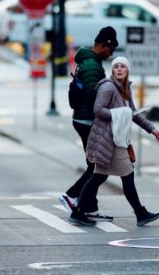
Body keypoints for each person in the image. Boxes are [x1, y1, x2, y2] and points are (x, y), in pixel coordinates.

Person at [68, 56, 159, 227]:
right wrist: (119, 113)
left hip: (114, 138)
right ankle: (140, 213)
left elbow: (133, 113)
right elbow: (98, 110)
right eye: (116, 67)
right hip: (109, 139)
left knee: (98, 176)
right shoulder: (108, 88)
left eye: (123, 67)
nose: (119, 69)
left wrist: (151, 129)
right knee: (127, 174)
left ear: (127, 71)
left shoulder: (124, 88)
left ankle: (78, 212)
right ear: (112, 70)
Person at [58, 26, 118, 222]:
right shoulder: (93, 66)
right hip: (87, 121)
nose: (112, 53)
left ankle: (89, 206)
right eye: (111, 48)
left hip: (81, 118)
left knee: (94, 165)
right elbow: (95, 98)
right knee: (99, 167)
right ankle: (72, 195)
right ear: (102, 45)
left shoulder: (87, 61)